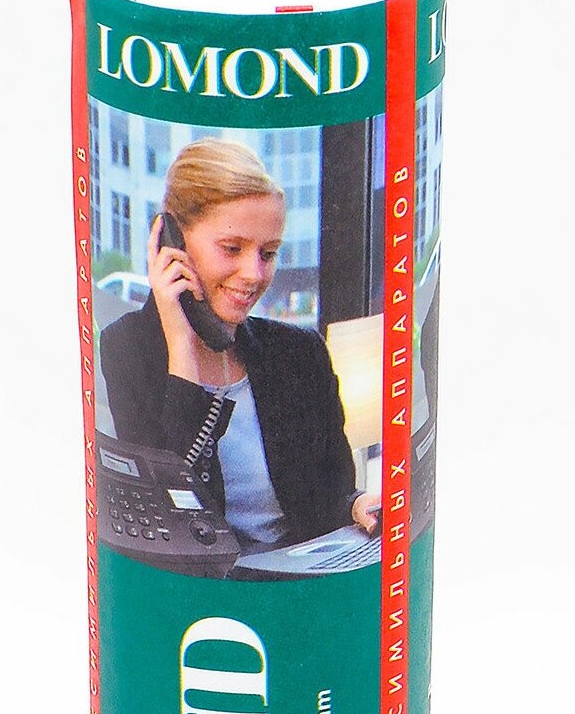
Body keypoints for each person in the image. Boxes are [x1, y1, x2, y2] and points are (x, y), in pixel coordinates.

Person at [98, 139, 381, 551]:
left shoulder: (300, 353)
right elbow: (160, 516)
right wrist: (182, 346)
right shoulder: (126, 350)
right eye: (232, 248)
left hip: (296, 572)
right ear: (173, 242)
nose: (254, 274)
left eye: (268, 253)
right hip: (200, 580)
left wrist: (355, 505)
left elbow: (331, 494)